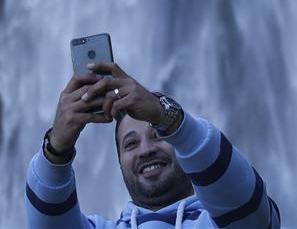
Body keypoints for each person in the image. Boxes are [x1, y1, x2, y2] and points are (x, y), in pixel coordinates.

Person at [26, 60, 281, 229]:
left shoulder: (220, 222)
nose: (146, 150)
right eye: (130, 144)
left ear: (181, 146)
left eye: (159, 136)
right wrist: (56, 148)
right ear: (119, 163)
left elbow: (245, 202)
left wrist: (167, 118)